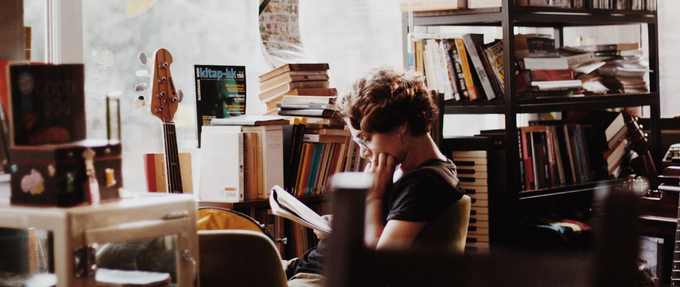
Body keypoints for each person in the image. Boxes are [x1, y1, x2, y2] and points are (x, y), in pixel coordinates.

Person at [285, 66, 466, 287]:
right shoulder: (408, 170)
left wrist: (374, 197)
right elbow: (382, 226)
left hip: (317, 278)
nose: (363, 152)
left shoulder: (424, 183)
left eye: (367, 139)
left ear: (400, 126)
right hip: (305, 268)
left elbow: (378, 266)